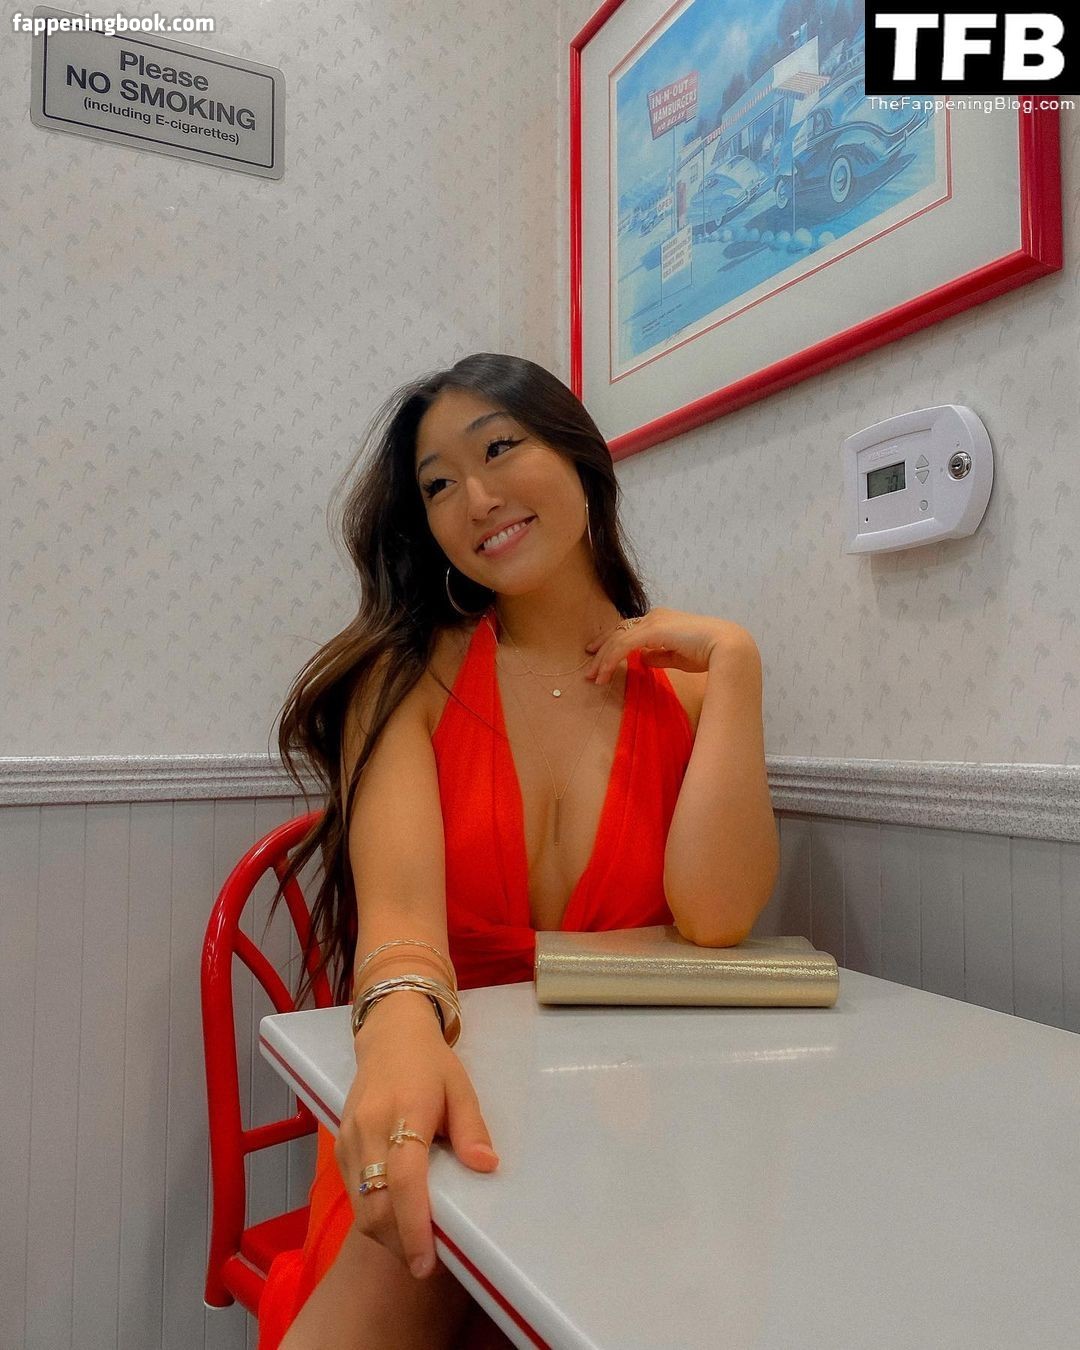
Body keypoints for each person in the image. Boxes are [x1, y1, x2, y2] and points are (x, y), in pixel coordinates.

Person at [260, 353, 778, 1349]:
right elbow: (401, 924)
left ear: (582, 457)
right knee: (418, 1232)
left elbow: (717, 920)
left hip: (643, 1099)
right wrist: (400, 1034)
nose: (476, 499)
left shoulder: (689, 689)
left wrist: (739, 664)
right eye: (438, 485)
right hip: (447, 1062)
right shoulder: (406, 676)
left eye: (499, 448)